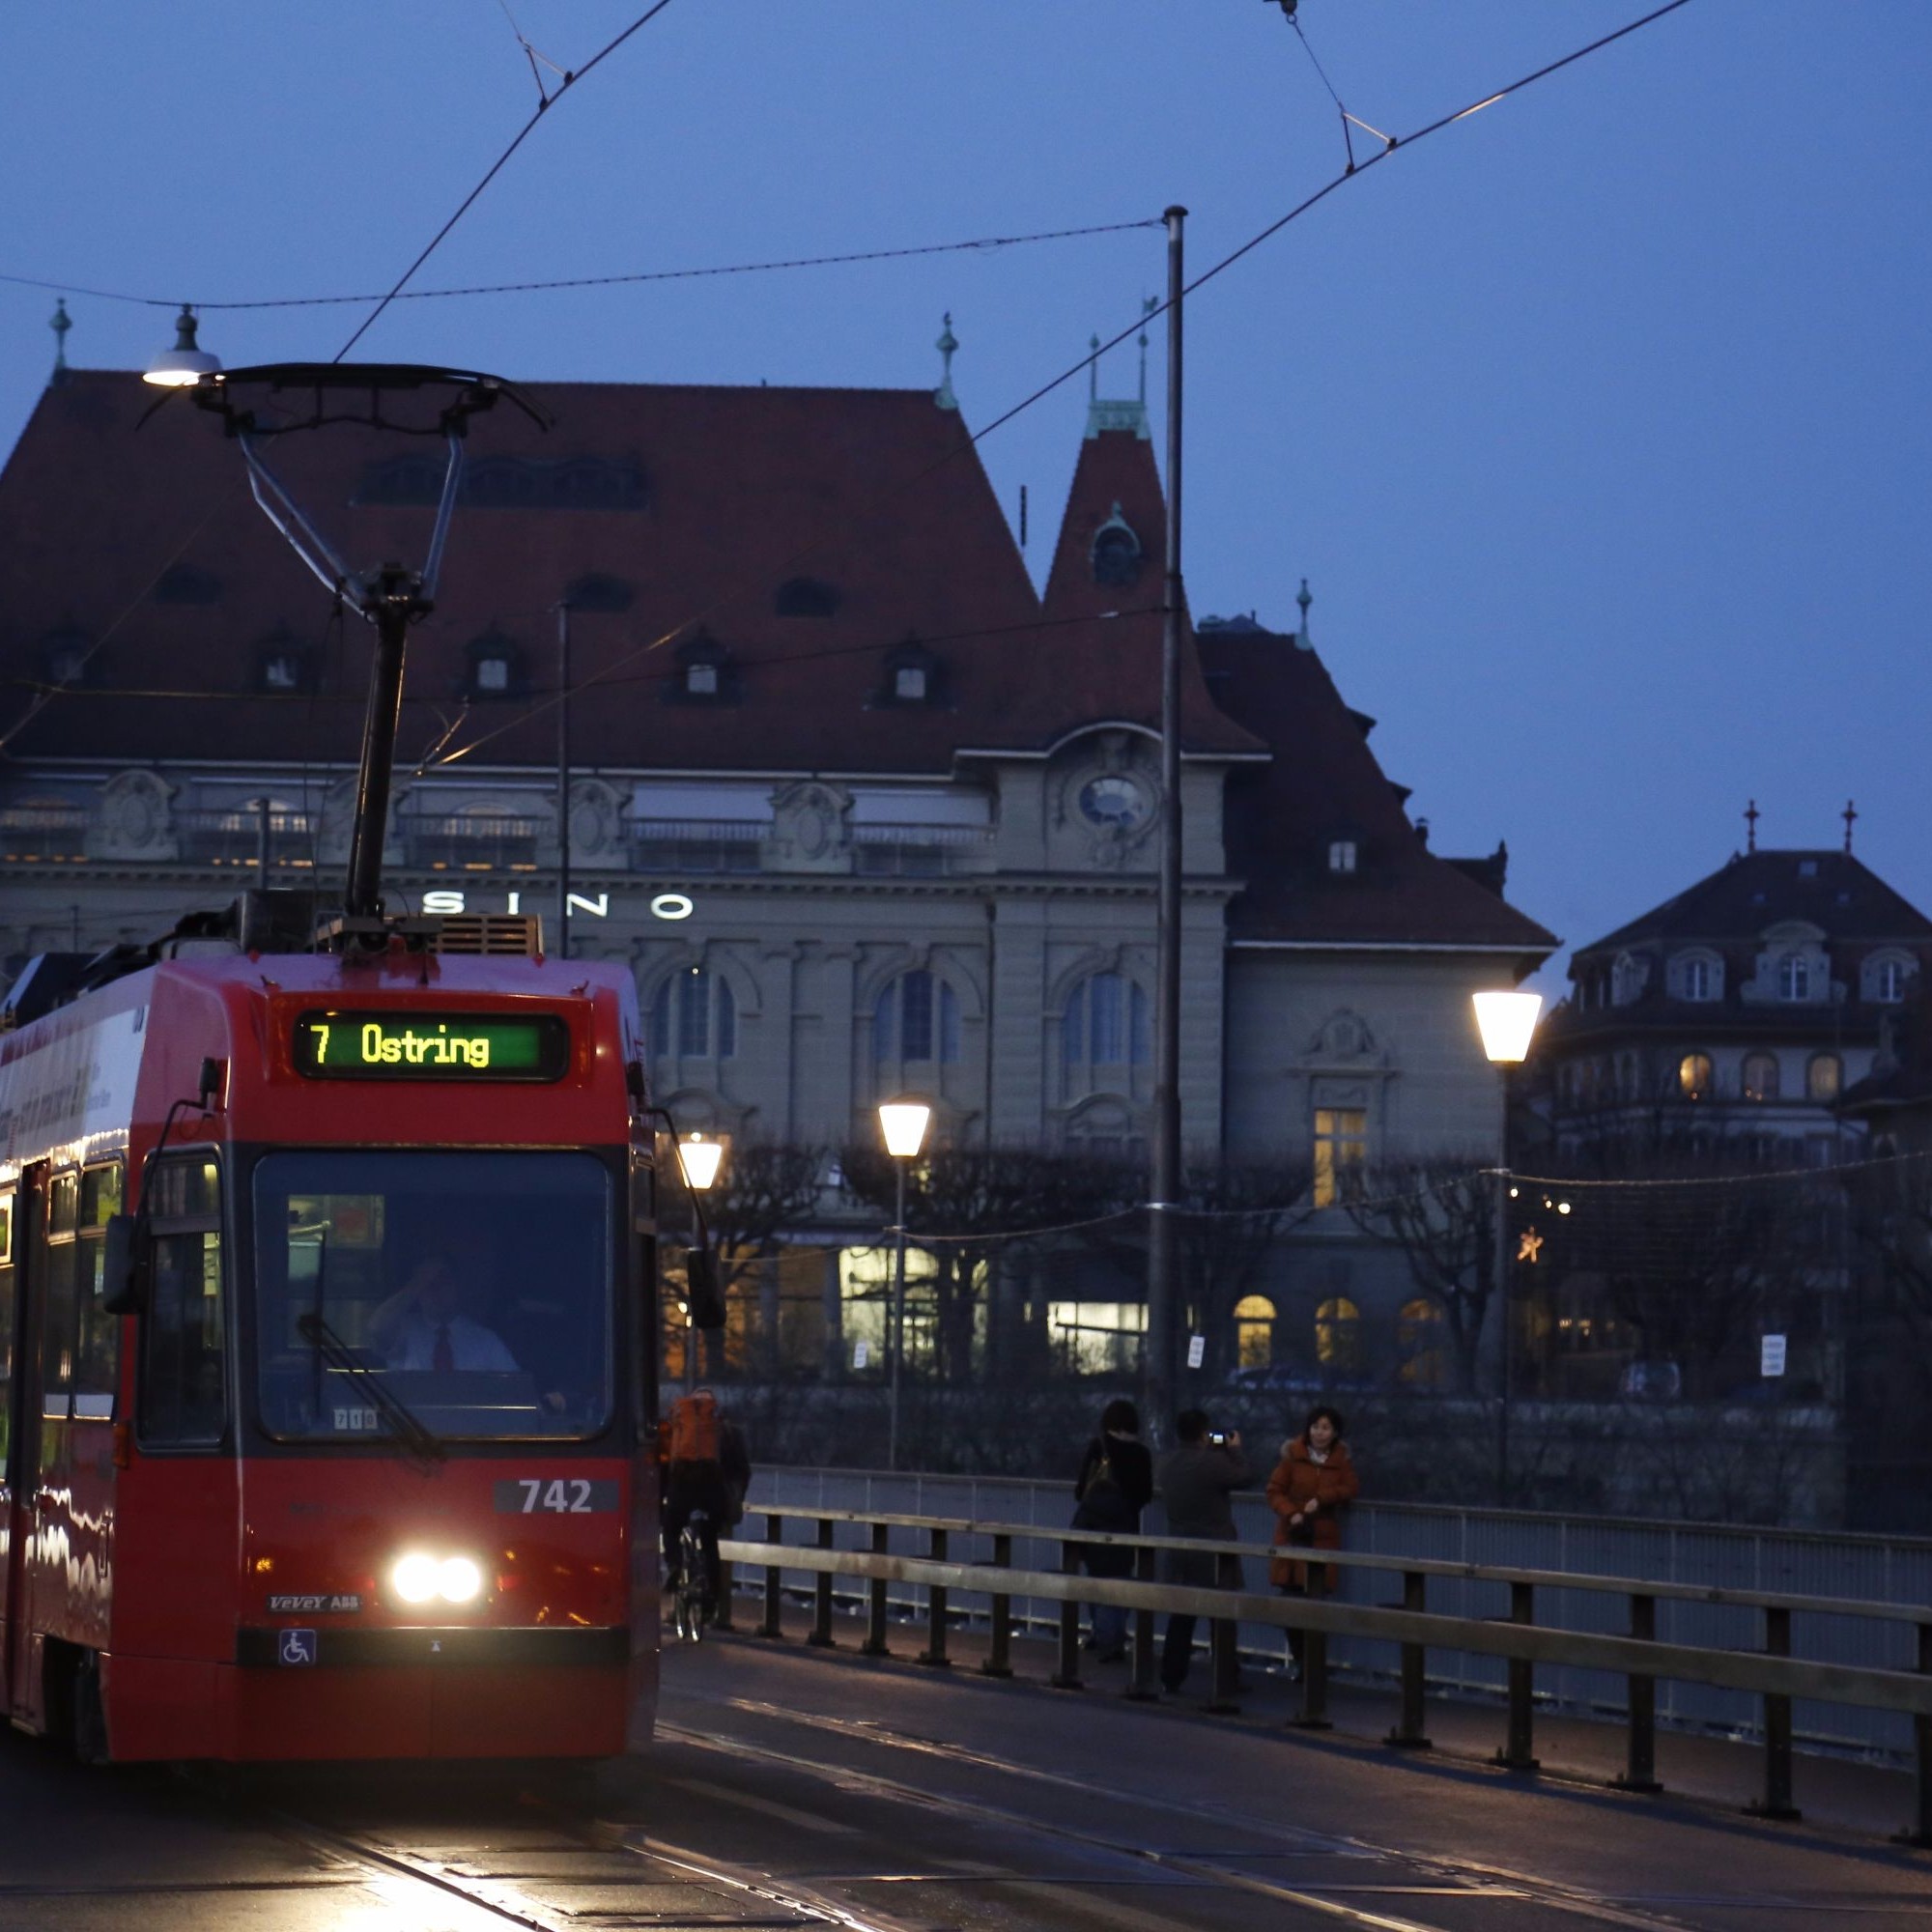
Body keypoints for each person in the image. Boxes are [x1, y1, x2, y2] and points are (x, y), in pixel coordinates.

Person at [1154, 1408, 1253, 1694]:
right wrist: (1234, 1450)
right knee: (1221, 1616)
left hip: (1180, 1548)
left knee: (1182, 1616)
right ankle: (1226, 1676)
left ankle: (1171, 1676)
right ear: (1202, 1433)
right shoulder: (1212, 1462)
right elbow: (1246, 1476)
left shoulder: (1167, 1463)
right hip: (1215, 1549)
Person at [1265, 1404, 1360, 1679]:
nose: (1320, 1433)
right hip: (1294, 1535)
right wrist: (1291, 1512)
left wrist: (1322, 1498)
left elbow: (1350, 1488)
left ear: (1335, 1432)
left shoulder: (1341, 1460)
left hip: (1322, 1537)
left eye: (1326, 1428)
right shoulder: (1292, 1457)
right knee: (1291, 1604)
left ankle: (1312, 1665)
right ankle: (1302, 1661)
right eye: (1316, 1427)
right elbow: (1274, 1491)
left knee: (1316, 1603)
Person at [1071, 1397, 1153, 1662]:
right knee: (1121, 1582)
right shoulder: (1142, 1454)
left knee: (1096, 1579)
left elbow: (1080, 1490)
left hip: (1094, 1526)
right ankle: (1114, 1639)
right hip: (1125, 1527)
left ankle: (1102, 1635)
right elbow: (1144, 1494)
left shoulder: (1099, 1447)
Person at [662, 1386, 753, 1619]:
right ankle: (712, 1599)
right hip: (712, 1492)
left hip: (682, 1489)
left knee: (671, 1530)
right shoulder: (726, 1430)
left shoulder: (677, 1427)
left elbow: (665, 1464)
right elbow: (742, 1469)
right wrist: (736, 1497)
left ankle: (674, 1565)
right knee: (710, 1543)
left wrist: (663, 1495)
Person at [367, 1245, 518, 1373]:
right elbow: (376, 1329)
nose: (436, 1289)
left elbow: (513, 1393)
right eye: (429, 1283)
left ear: (457, 1285)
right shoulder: (403, 1331)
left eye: (443, 1280)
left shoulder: (486, 1342)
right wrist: (418, 1282)